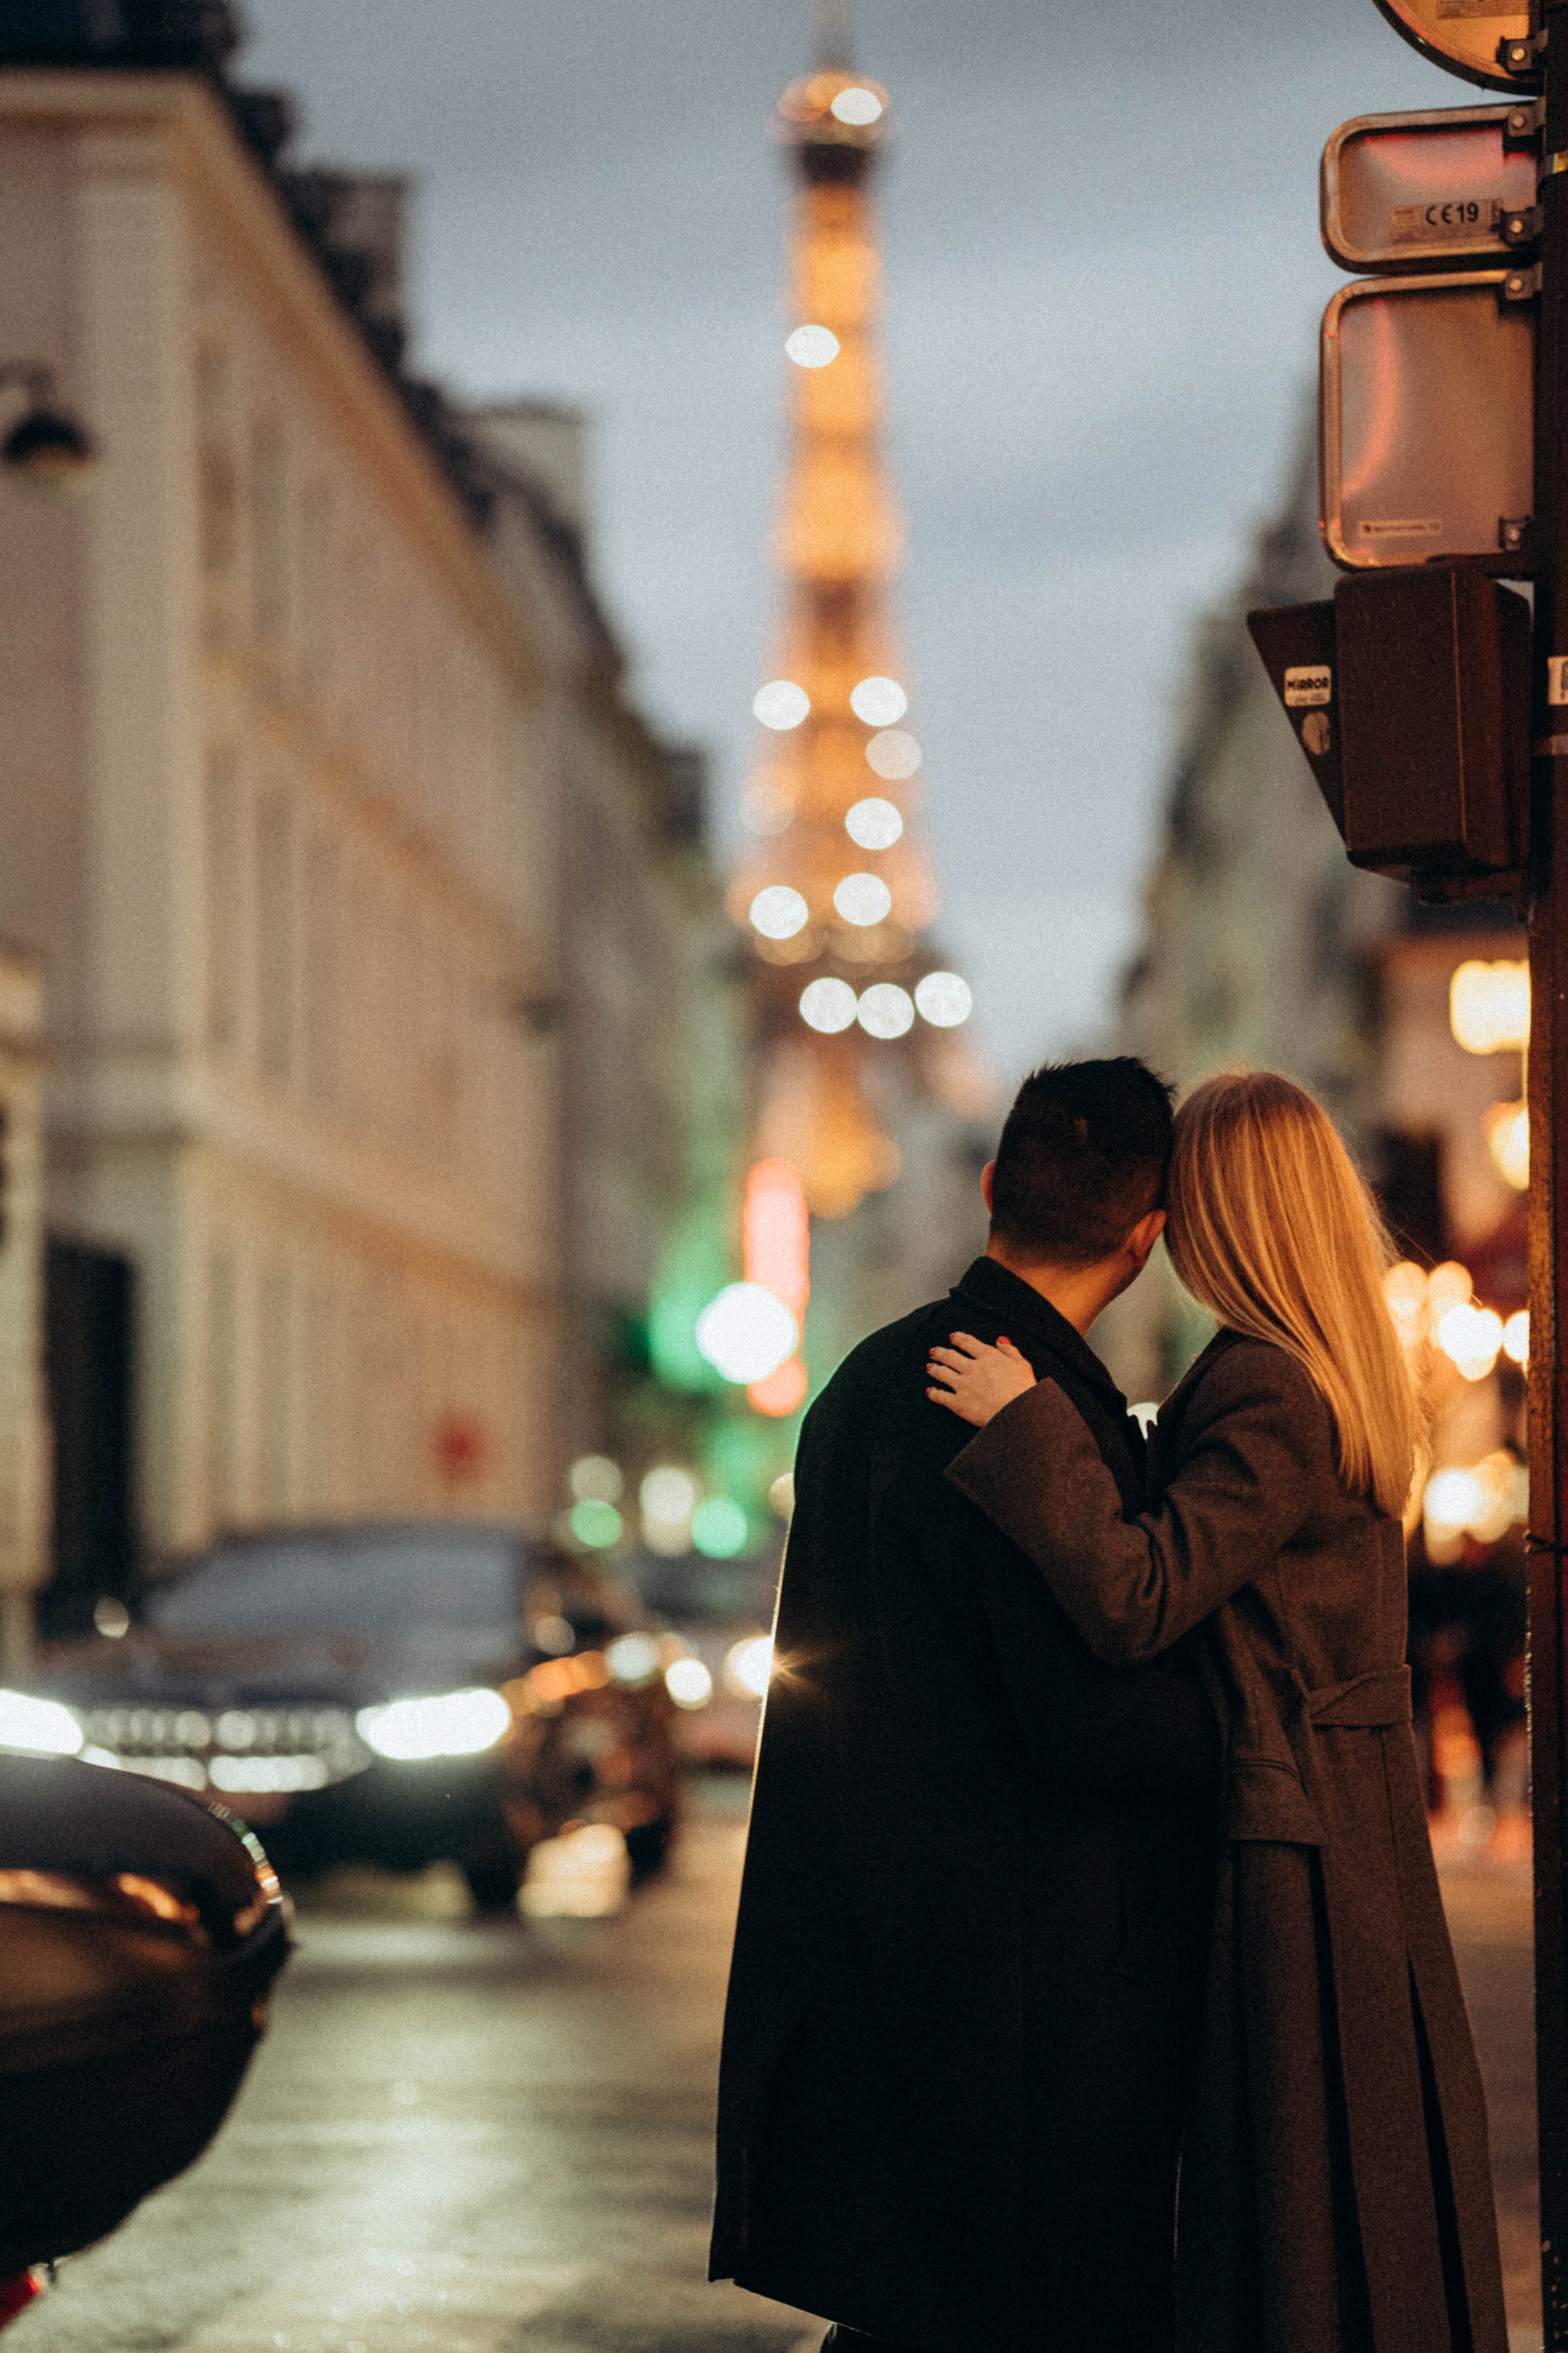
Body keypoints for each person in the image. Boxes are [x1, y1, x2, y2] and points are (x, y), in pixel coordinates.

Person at [927, 1069, 1509, 2353]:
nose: (1159, 1227)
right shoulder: (1317, 1366)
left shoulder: (1265, 1382)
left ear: (1229, 1213)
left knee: (1291, 2181)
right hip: (1327, 1815)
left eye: (1180, 1199)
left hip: (1289, 1833)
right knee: (1326, 2183)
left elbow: (1139, 1593)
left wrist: (1026, 1426)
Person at [711, 1060, 1226, 2353]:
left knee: (912, 2305)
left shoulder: (864, 1383)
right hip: (1041, 1989)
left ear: (992, 1186)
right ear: (1147, 1233)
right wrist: (1238, 1732)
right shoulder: (1046, 1414)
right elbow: (1079, 1712)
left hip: (878, 1942)